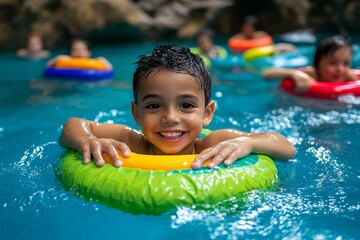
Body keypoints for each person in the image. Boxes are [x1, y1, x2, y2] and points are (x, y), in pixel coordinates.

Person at [59, 44, 296, 169]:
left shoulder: (215, 143)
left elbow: (286, 147)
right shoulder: (130, 143)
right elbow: (73, 125)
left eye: (185, 105)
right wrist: (85, 140)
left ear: (207, 113)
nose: (170, 117)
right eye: (154, 105)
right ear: (136, 114)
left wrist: (249, 142)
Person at [263, 35, 357, 92]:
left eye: (346, 64)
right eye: (333, 63)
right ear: (317, 64)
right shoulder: (311, 74)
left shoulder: (348, 76)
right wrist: (294, 74)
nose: (340, 69)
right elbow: (267, 74)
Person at [46, 38, 112, 70]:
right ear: (69, 53)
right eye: (75, 50)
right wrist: (58, 58)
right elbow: (48, 65)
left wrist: (102, 60)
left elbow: (109, 69)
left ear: (89, 53)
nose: (79, 52)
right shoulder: (64, 60)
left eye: (83, 49)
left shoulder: (96, 62)